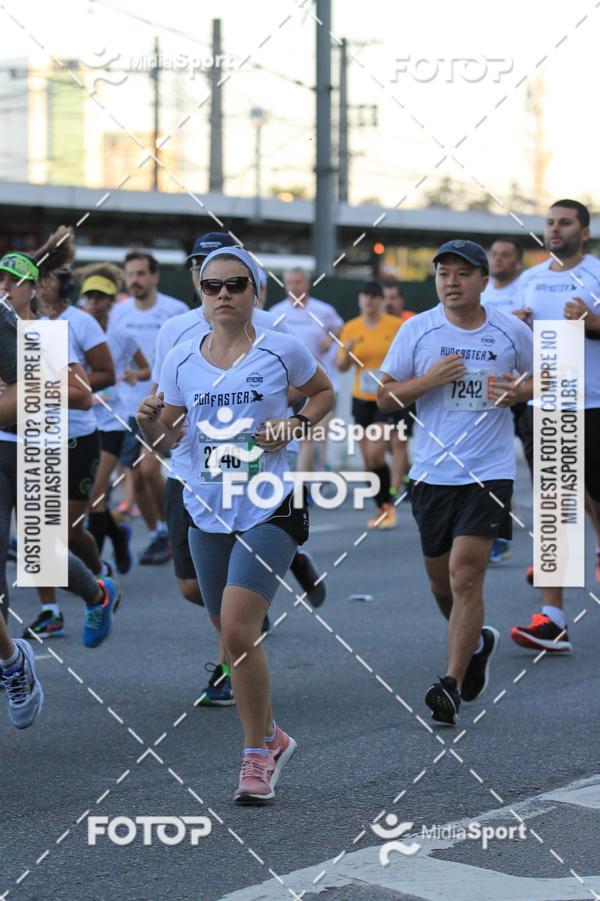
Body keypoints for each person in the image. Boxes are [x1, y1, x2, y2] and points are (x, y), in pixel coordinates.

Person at [138, 245, 334, 803]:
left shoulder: (281, 348)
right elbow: (167, 439)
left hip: (269, 505)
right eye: (212, 286)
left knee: (241, 630)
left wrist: (294, 425)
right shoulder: (180, 358)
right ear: (200, 293)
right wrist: (147, 423)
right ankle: (272, 737)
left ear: (255, 292)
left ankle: (254, 758)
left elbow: (323, 392)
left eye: (236, 285)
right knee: (227, 629)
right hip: (205, 505)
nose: (223, 294)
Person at [378, 239, 533, 726]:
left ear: (484, 282)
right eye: (443, 273)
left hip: (488, 471)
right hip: (431, 475)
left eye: (463, 274)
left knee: (466, 575)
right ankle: (478, 641)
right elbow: (383, 396)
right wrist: (428, 380)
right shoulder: (418, 329)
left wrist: (519, 391)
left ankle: (449, 683)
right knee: (442, 583)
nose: (451, 281)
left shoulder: (511, 330)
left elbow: (549, 376)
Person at [0, 230, 120, 653]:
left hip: (41, 446)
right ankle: (12, 655)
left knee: (42, 553)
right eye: (0, 280)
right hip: (1, 445)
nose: (5, 288)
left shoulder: (48, 334)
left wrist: (23, 391)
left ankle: (96, 592)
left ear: (34, 289)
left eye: (14, 282)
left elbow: (81, 395)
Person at [510, 199, 600, 650]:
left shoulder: (597, 274)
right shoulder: (530, 281)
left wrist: (592, 322)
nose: (555, 229)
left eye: (565, 223)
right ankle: (553, 618)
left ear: (583, 231)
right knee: (555, 508)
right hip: (549, 403)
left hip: (596, 403)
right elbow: (514, 341)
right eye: (549, 223)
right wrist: (516, 326)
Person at [111, 251, 188, 565]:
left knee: (149, 468)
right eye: (130, 274)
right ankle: (159, 532)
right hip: (128, 406)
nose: (135, 280)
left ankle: (174, 530)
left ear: (155, 276)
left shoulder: (175, 311)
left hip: (166, 405)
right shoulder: (119, 313)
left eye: (141, 273)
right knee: (137, 476)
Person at [78, 264, 150, 572]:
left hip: (111, 421)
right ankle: (118, 535)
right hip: (80, 419)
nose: (94, 303)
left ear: (111, 301)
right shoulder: (73, 329)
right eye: (89, 297)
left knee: (96, 494)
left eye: (100, 297)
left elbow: (146, 368)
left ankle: (92, 570)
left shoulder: (120, 335)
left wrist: (135, 374)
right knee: (87, 498)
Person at [337, 281, 403, 528]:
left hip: (385, 398)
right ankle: (381, 506)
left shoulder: (395, 326)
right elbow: (341, 367)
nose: (370, 301)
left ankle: (388, 507)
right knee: (369, 460)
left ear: (381, 300)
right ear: (360, 300)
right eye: (366, 296)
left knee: (376, 450)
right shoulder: (351, 328)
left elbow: (406, 358)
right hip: (361, 398)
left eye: (375, 297)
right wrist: (348, 352)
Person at [269, 268, 343, 474]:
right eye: (290, 282)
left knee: (315, 435)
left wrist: (330, 341)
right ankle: (303, 482)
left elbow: (339, 329)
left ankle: (313, 479)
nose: (294, 287)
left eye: (298, 282)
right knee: (302, 436)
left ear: (307, 284)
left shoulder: (323, 310)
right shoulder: (276, 312)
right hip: (290, 385)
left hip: (320, 383)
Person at [481, 239, 525, 564]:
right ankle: (496, 534)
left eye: (505, 254)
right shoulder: (480, 292)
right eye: (494, 254)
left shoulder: (528, 287)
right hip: (489, 388)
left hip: (527, 387)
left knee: (545, 465)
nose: (498, 259)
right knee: (491, 460)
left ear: (518, 263)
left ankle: (558, 531)